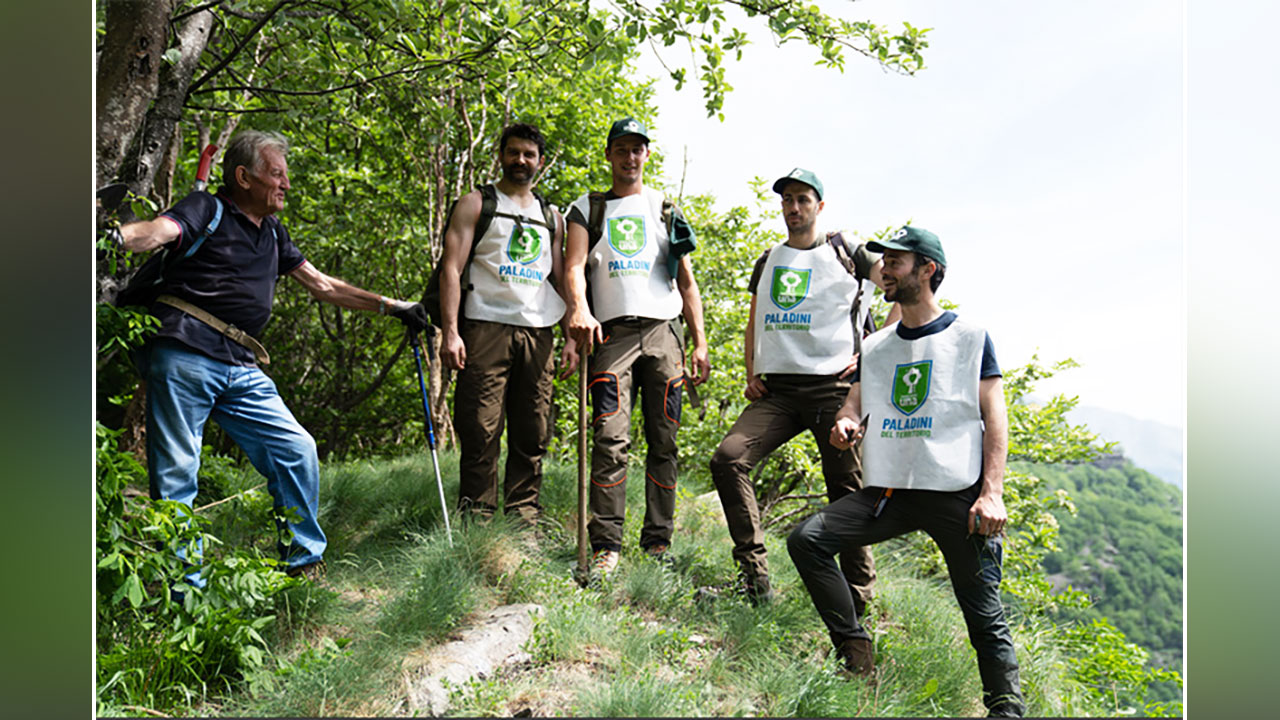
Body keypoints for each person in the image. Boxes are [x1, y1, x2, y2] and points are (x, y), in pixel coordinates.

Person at [116, 130, 429, 583]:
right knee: (178, 474)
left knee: (296, 449)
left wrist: (392, 306)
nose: (285, 184)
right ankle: (182, 591)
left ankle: (302, 563)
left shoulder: (274, 233)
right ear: (243, 177)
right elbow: (158, 232)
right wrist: (111, 236)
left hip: (241, 363)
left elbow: (323, 285)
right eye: (276, 174)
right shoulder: (208, 209)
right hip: (185, 350)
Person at [786, 226, 1024, 716]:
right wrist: (846, 423)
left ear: (927, 270)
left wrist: (992, 492)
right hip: (890, 491)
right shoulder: (877, 346)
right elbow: (853, 405)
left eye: (895, 262)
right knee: (806, 540)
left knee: (983, 615)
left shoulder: (969, 337)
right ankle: (855, 652)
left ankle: (1006, 710)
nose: (884, 271)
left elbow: (995, 415)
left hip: (956, 494)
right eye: (884, 261)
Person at [707, 168, 899, 606]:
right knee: (728, 459)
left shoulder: (848, 251)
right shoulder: (770, 258)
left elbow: (900, 287)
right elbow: (756, 317)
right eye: (787, 199)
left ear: (820, 206)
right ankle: (754, 581)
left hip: (836, 390)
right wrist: (751, 370)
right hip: (778, 392)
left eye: (803, 199)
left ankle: (860, 602)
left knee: (847, 492)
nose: (794, 207)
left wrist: (876, 352)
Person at [563, 117, 710, 577]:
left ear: (647, 154)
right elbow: (573, 267)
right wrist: (578, 312)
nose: (630, 158)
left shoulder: (665, 209)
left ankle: (658, 544)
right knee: (610, 438)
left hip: (665, 333)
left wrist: (700, 343)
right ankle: (607, 544)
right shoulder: (588, 208)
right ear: (609, 154)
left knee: (664, 440)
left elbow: (686, 281)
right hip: (610, 335)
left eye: (637, 149)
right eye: (621, 149)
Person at [437, 123, 570, 524]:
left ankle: (523, 517)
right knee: (479, 427)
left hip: (538, 331)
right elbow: (450, 269)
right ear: (501, 155)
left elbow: (560, 276)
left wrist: (573, 337)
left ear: (540, 163)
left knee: (534, 428)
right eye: (513, 153)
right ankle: (476, 517)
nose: (521, 161)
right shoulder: (476, 203)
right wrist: (451, 332)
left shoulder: (552, 217)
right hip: (484, 326)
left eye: (529, 155)